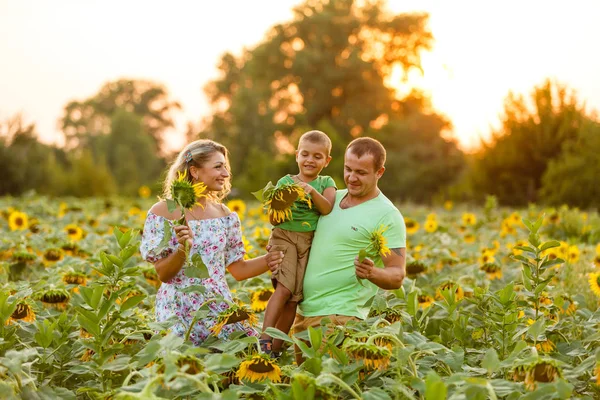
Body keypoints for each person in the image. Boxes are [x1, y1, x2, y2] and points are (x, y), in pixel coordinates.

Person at [269, 137, 407, 362]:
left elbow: (397, 274)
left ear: (379, 172)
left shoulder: (387, 215)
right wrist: (277, 252)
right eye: (348, 169)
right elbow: (297, 234)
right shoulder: (329, 199)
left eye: (361, 173)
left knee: (330, 390)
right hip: (303, 314)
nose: (352, 178)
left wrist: (373, 273)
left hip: (339, 318)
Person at [140, 139, 279, 346]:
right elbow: (163, 274)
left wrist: (270, 259)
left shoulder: (225, 216)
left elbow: (238, 269)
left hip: (218, 307)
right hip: (179, 310)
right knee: (185, 370)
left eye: (225, 167)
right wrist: (181, 249)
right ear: (195, 171)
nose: (225, 173)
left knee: (238, 358)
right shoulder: (164, 212)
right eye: (218, 167)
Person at [259, 130, 337, 355]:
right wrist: (282, 201)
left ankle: (275, 349)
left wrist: (311, 191)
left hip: (308, 243)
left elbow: (327, 208)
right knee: (283, 290)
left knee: (294, 300)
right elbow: (273, 219)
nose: (310, 160)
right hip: (284, 237)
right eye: (305, 154)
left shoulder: (325, 183)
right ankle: (265, 338)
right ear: (296, 156)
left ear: (327, 160)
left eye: (317, 156)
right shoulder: (285, 181)